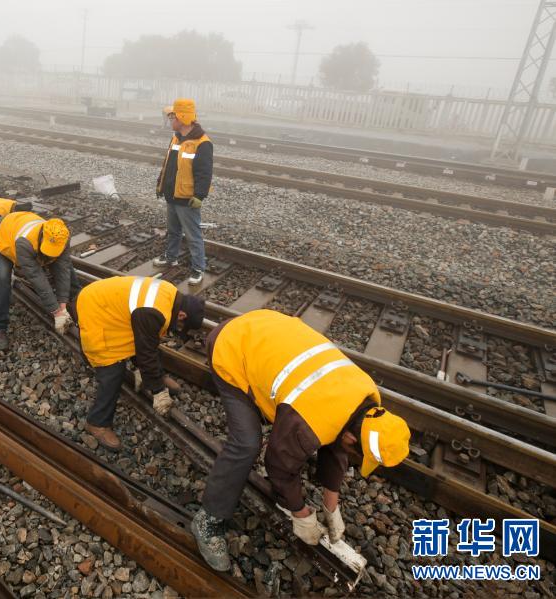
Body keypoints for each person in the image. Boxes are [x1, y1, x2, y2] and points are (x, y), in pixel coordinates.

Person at [189, 309, 411, 572]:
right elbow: (278, 466)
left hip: (267, 326)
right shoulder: (310, 420)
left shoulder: (368, 399)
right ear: (353, 437)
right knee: (246, 443)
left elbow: (338, 442)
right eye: (358, 452)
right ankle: (208, 521)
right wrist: (301, 513)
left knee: (295, 436)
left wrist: (331, 505)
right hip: (231, 346)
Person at [73, 276, 205, 450]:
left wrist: (152, 378)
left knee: (147, 339)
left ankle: (153, 378)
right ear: (182, 315)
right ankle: (97, 422)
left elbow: (147, 340)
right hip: (94, 311)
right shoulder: (154, 311)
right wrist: (158, 392)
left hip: (106, 304)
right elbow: (145, 352)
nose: (178, 329)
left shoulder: (169, 292)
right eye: (181, 326)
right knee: (112, 368)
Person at [0, 211, 78, 350]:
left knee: (67, 269)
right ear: (42, 237)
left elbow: (63, 270)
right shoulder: (25, 243)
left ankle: (76, 301)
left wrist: (63, 304)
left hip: (19, 224)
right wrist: (56, 311)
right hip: (1, 234)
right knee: (2, 279)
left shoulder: (63, 237)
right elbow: (37, 277)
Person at [153, 98, 213, 286]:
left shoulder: (202, 143)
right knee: (173, 231)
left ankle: (198, 269)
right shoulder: (176, 137)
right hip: (172, 194)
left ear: (182, 118)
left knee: (193, 235)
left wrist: (199, 195)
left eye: (173, 117)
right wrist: (160, 184)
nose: (171, 121)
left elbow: (205, 172)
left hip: (187, 198)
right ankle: (171, 257)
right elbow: (168, 164)